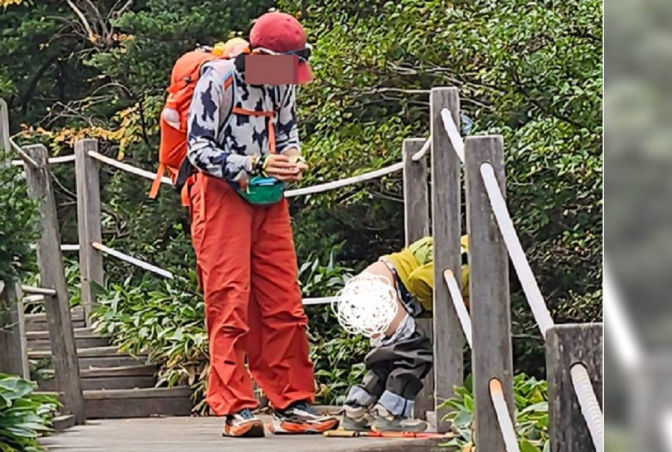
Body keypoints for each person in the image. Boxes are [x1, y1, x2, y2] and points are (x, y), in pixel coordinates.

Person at [184, 12, 339, 438]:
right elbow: (198, 150)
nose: (288, 73)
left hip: (268, 196)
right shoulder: (218, 79)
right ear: (262, 55)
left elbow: (287, 134)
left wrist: (292, 160)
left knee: (284, 300)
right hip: (220, 194)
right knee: (229, 299)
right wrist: (253, 163)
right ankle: (235, 407)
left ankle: (292, 404)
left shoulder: (283, 82)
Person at [341, 236, 470, 432]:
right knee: (415, 354)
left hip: (367, 286)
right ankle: (391, 413)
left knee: (389, 359)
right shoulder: (464, 260)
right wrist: (433, 305)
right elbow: (420, 280)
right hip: (382, 292)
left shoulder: (443, 244)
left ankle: (355, 408)